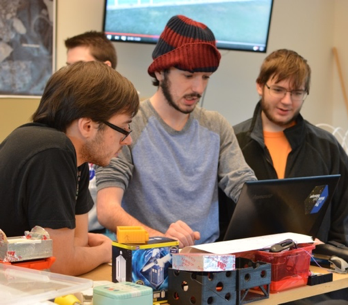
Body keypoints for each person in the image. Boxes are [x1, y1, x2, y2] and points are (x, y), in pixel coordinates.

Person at [95, 15, 256, 248]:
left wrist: (292, 232)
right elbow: (107, 209)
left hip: (208, 262)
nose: (198, 88)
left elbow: (245, 188)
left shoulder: (216, 125)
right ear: (160, 72)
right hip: (147, 261)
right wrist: (163, 241)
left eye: (205, 77)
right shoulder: (128, 124)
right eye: (188, 76)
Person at [0, 61, 140, 275]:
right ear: (87, 126)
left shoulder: (77, 158)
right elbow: (60, 263)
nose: (128, 140)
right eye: (123, 128)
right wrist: (107, 251)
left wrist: (73, 249)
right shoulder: (53, 150)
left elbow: (78, 243)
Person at [230, 49, 348, 249]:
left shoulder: (327, 147)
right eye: (278, 90)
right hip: (247, 272)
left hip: (314, 271)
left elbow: (346, 222)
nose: (287, 101)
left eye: (297, 93)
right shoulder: (233, 143)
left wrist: (330, 260)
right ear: (260, 86)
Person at [65, 30, 118, 233]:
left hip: (103, 233)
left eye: (79, 66)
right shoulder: (62, 122)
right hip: (64, 232)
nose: (69, 76)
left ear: (105, 68)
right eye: (68, 68)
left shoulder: (122, 127)